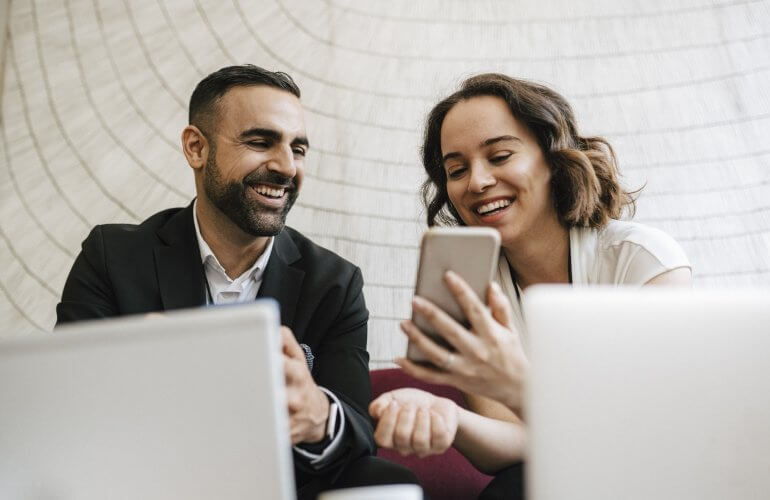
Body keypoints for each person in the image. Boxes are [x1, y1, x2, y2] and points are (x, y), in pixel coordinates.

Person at [56, 64, 417, 500]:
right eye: (261, 142)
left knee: (385, 482)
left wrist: (320, 416)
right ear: (196, 148)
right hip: (146, 484)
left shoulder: (335, 282)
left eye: (298, 149)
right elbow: (66, 408)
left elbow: (357, 428)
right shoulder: (112, 256)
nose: (286, 167)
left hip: (281, 488)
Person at [368, 73, 692, 500]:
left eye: (500, 156)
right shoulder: (469, 288)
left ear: (554, 157)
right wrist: (450, 417)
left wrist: (518, 385)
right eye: (457, 170)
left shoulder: (642, 263)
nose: (477, 182)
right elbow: (516, 448)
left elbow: (648, 443)